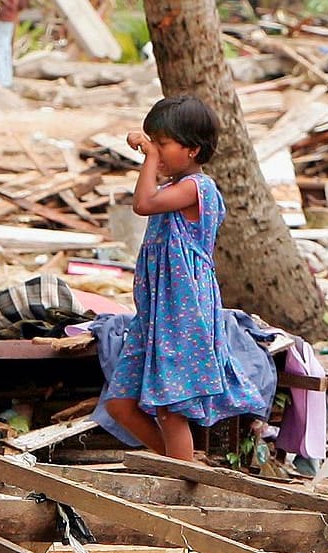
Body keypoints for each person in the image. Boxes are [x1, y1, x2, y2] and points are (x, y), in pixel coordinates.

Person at [103, 95, 272, 461]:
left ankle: (182, 478)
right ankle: (185, 464)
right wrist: (153, 155)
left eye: (163, 144)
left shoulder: (197, 188)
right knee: (120, 404)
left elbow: (142, 203)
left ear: (193, 150)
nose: (156, 151)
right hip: (155, 316)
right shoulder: (174, 189)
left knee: (170, 406)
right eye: (154, 143)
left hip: (182, 313)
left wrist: (148, 159)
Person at [0, 0, 26, 88]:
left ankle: (2, 82)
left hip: (3, 16)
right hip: (11, 16)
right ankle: (7, 80)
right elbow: (22, 4)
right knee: (5, 50)